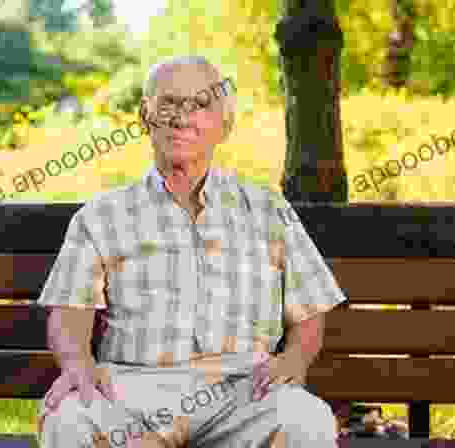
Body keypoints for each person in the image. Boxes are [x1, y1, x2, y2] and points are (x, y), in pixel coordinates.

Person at [36, 55, 348, 448]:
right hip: (132, 390)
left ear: (225, 124)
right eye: (168, 103)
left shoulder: (269, 210)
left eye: (200, 105)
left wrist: (295, 358)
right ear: (144, 116)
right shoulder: (102, 215)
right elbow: (69, 311)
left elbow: (309, 308)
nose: (182, 118)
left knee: (307, 420)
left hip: (242, 391)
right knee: (68, 418)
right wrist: (77, 362)